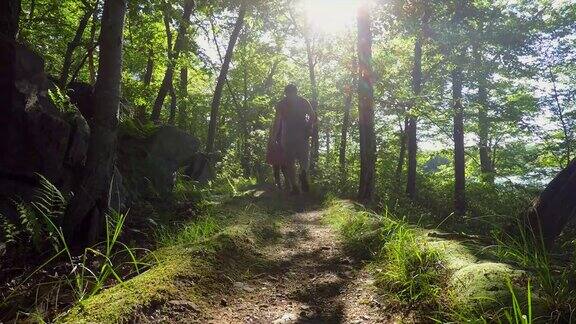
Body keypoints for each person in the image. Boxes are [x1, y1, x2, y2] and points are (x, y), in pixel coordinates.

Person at [272, 84, 316, 194]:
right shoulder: (303, 101)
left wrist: (273, 137)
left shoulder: (281, 104)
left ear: (286, 93)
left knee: (290, 162)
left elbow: (277, 122)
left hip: (288, 135)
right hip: (300, 134)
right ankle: (303, 173)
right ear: (296, 91)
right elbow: (313, 116)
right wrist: (308, 127)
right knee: (304, 158)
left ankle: (295, 186)